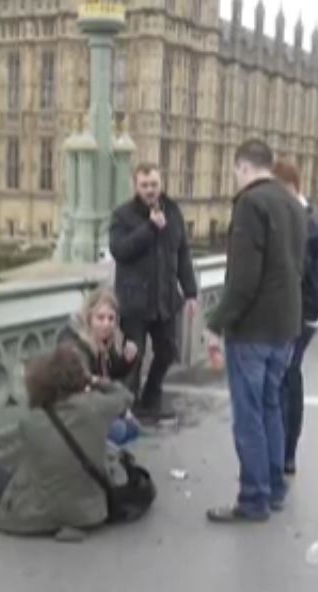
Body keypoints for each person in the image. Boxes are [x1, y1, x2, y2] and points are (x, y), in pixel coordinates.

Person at [204, 139, 307, 523]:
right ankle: (275, 489)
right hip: (286, 325)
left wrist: (216, 325)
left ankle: (253, 498)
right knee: (270, 409)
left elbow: (243, 280)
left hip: (254, 329)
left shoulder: (251, 204)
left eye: (236, 172)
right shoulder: (293, 205)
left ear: (243, 168)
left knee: (248, 415)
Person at [0, 345, 144, 541]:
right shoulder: (95, 406)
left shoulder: (30, 421)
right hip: (89, 514)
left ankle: (6, 505)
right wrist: (94, 380)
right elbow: (125, 395)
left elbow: (29, 468)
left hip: (37, 514)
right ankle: (70, 520)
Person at [109, 163, 198, 423]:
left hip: (166, 299)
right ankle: (127, 407)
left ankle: (151, 399)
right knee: (133, 358)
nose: (150, 190)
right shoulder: (122, 215)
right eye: (145, 185)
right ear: (135, 186)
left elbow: (182, 254)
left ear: (161, 184)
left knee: (167, 351)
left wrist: (190, 292)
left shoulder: (173, 211)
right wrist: (149, 228)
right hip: (134, 302)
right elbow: (119, 250)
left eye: (154, 185)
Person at [271, 160, 318, 476]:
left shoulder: (304, 224)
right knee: (290, 378)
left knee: (288, 380)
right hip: (304, 312)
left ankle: (286, 453)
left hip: (299, 314)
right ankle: (286, 452)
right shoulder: (308, 219)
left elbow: (297, 272)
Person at [57, 289, 142, 446]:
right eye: (100, 318)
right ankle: (96, 458)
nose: (106, 324)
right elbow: (86, 386)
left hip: (95, 405)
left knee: (133, 429)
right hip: (73, 413)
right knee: (120, 430)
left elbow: (112, 372)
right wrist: (119, 409)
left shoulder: (104, 339)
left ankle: (108, 459)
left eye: (111, 319)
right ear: (88, 317)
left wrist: (126, 360)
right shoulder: (74, 346)